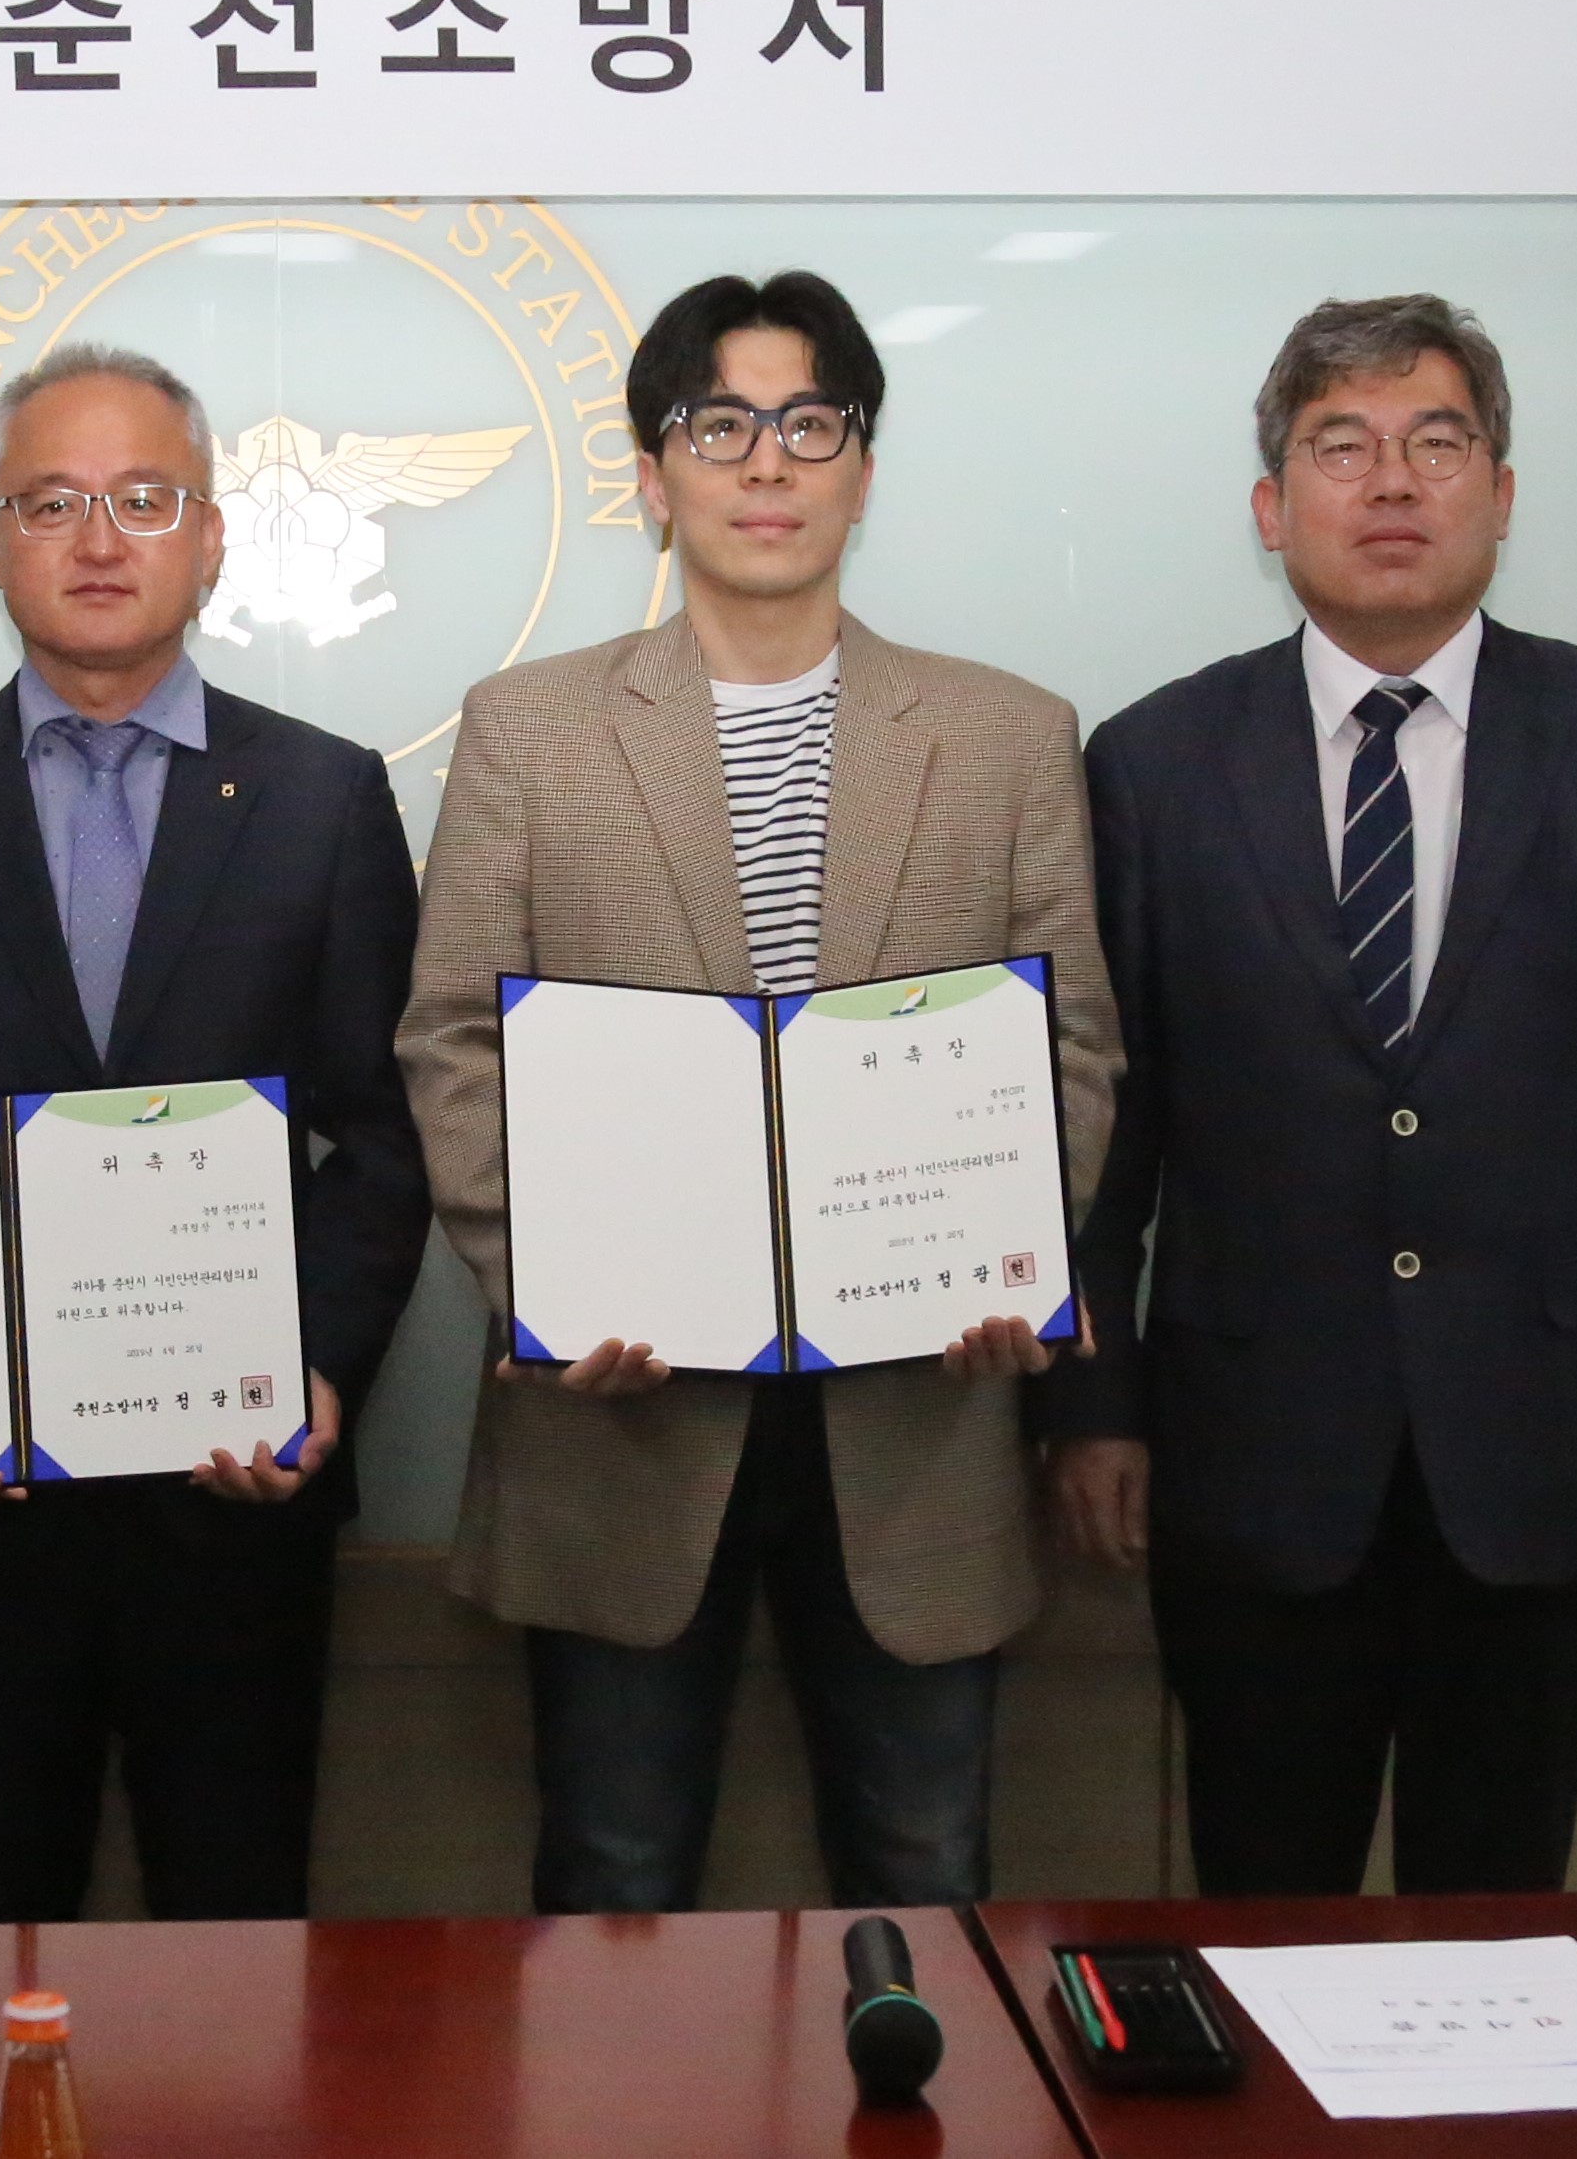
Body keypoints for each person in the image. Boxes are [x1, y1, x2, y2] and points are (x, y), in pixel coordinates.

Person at [394, 271, 1120, 1914]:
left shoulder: (1006, 735)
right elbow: (451, 1041)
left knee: (924, 1878)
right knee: (612, 1881)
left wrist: (1010, 1252)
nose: (767, 461)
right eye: (718, 425)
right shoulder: (529, 731)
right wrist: (549, 1283)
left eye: (809, 422)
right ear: (653, 477)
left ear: (863, 466)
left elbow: (1071, 1045)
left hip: (918, 1416)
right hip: (621, 1421)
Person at [1045, 293, 1577, 1896]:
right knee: (1261, 1901)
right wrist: (1093, 1405)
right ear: (1269, 508)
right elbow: (1100, 1127)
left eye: (1434, 442)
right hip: (1246, 1453)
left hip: (1542, 1448)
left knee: (1503, 1914)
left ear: (1499, 494)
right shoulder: (1154, 763)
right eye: (1342, 446)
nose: (1390, 481)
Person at [0, 341, 431, 1922]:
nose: (97, 540)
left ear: (210, 539)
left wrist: (318, 1370)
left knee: (238, 1930)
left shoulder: (322, 797)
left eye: (143, 498)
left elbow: (386, 1133)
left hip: (236, 1490)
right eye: (50, 502)